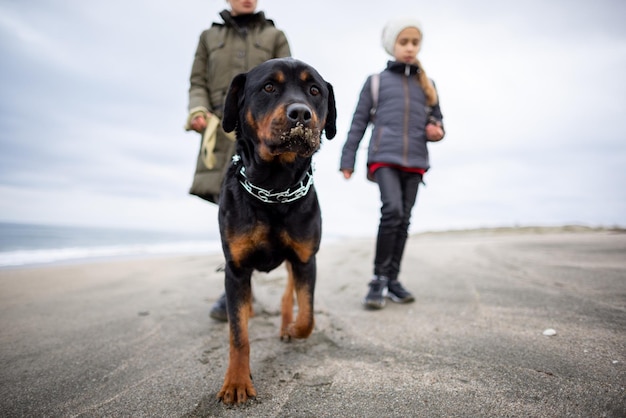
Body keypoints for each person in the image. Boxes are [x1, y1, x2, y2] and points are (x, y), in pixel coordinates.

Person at [185, 0, 291, 321]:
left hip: (260, 133)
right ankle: (236, 278)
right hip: (220, 132)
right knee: (227, 203)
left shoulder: (275, 35)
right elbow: (197, 82)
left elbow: (289, 80)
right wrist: (198, 110)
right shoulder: (208, 37)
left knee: (269, 202)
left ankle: (278, 265)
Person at [339, 18, 445, 310]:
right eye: (404, 42)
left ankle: (392, 280)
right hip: (383, 157)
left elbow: (438, 121)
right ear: (392, 45)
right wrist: (347, 158)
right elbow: (358, 122)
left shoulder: (429, 85)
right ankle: (377, 279)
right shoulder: (376, 82)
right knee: (392, 211)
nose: (410, 48)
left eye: (415, 42)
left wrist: (436, 130)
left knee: (404, 219)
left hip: (415, 160)